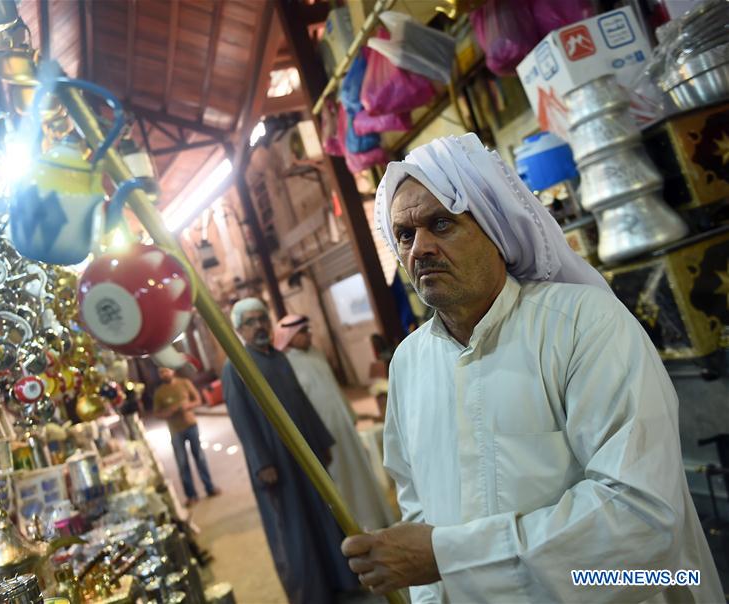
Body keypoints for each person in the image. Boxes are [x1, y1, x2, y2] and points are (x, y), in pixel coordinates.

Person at [340, 133, 722, 603]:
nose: (420, 249)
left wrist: (451, 557)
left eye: (441, 224)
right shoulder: (408, 364)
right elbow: (418, 507)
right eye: (404, 234)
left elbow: (641, 518)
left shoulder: (584, 325)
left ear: (496, 232)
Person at [222, 298, 358, 604]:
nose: (259, 326)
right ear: (240, 329)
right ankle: (313, 594)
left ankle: (339, 581)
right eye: (251, 321)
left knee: (324, 515)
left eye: (262, 319)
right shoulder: (235, 366)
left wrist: (321, 442)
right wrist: (262, 462)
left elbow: (302, 402)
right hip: (276, 461)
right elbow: (242, 419)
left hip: (305, 452)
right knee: (294, 525)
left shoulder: (279, 358)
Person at [274, 314, 395, 531]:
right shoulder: (285, 365)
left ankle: (378, 519)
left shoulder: (316, 354)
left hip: (344, 428)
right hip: (325, 436)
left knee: (362, 474)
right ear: (289, 336)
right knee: (341, 482)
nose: (308, 335)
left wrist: (350, 415)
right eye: (302, 332)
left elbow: (334, 391)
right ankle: (356, 526)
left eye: (307, 330)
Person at [153, 367, 220, 506]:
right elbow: (157, 413)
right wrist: (169, 412)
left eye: (166, 371)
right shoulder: (159, 393)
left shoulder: (184, 383)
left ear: (172, 371)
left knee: (200, 457)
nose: (164, 374)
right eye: (161, 372)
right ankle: (191, 495)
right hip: (175, 430)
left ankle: (210, 487)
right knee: (182, 463)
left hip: (191, 425)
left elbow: (198, 400)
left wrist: (187, 406)